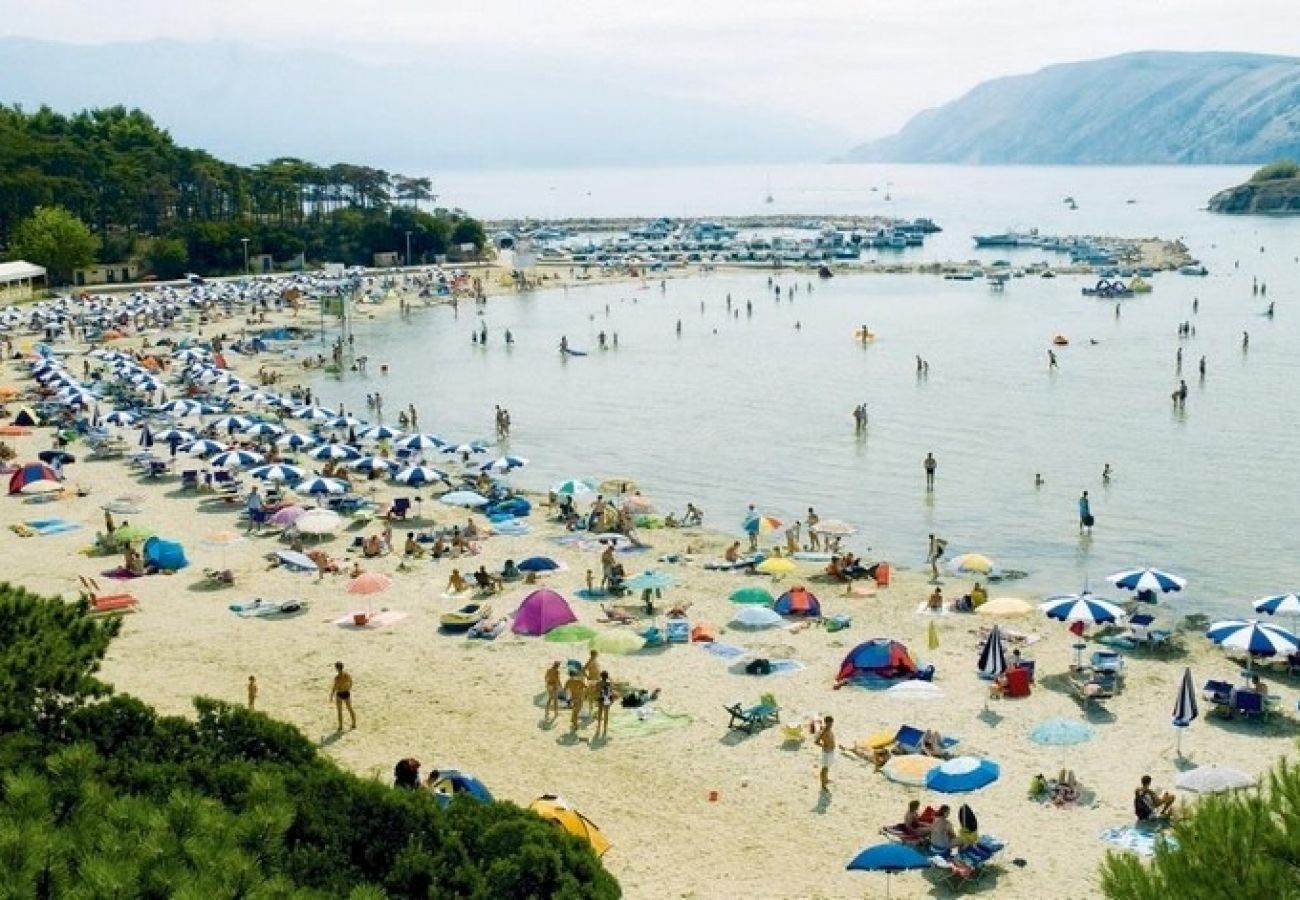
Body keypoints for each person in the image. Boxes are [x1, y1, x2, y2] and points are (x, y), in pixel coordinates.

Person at [330, 661, 356, 731]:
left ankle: (340, 726)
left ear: (337, 668)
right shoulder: (347, 675)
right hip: (346, 693)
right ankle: (354, 723)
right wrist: (349, 688)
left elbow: (335, 687)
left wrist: (331, 695)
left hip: (340, 694)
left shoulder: (337, 678)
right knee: (350, 708)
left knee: (340, 711)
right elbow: (351, 682)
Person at [814, 715, 836, 791]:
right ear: (826, 723)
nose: (831, 725)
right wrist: (824, 745)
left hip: (830, 751)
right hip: (827, 752)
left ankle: (826, 779)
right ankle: (823, 785)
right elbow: (816, 742)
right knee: (824, 769)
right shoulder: (824, 731)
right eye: (829, 723)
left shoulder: (828, 729)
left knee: (827, 767)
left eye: (831, 723)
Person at [594, 671, 616, 739]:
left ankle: (598, 727)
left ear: (601, 676)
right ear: (607, 676)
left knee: (600, 714)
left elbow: (596, 691)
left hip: (600, 698)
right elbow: (611, 691)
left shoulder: (598, 683)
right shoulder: (609, 683)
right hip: (607, 699)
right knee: (606, 714)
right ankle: (605, 728)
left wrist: (596, 698)